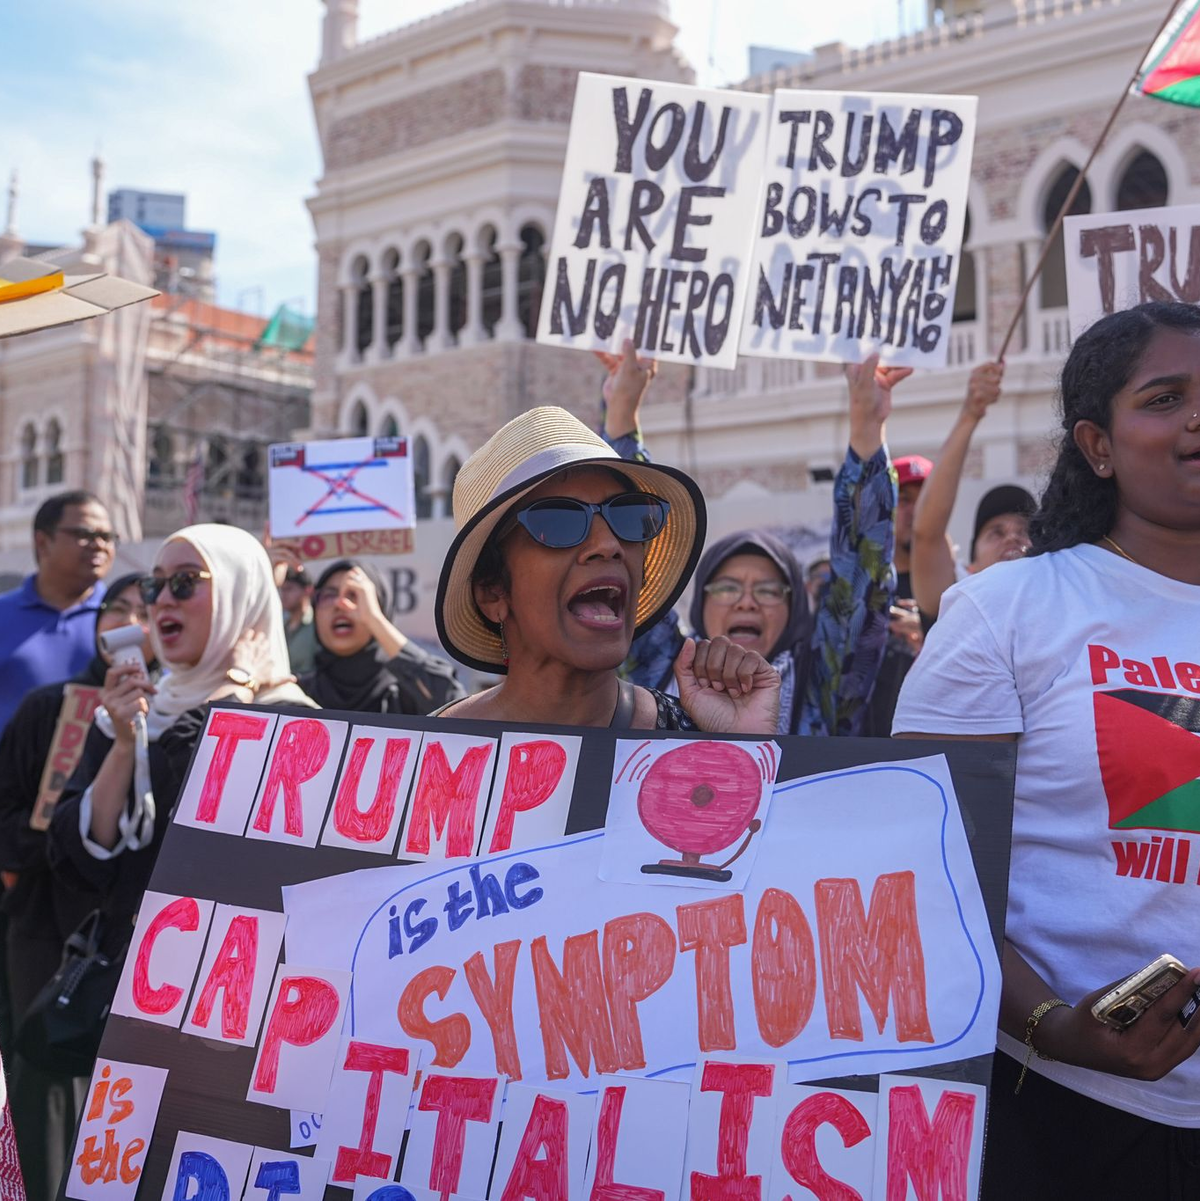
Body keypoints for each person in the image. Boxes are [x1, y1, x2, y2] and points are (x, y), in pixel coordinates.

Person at [893, 302, 1200, 1196]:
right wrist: (1055, 1027)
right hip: (1061, 1111)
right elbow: (920, 870)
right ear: (1097, 445)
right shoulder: (1010, 611)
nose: (1198, 418)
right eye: (1166, 398)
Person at [47, 526, 312, 1009]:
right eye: (155, 584)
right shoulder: (133, 710)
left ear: (240, 597)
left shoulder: (295, 721)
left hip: (230, 996)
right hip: (125, 988)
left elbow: (229, 845)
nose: (164, 599)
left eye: (186, 581)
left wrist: (236, 695)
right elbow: (81, 865)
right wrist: (123, 747)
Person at [598, 340, 901, 736]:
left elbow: (864, 577)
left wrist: (867, 423)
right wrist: (622, 411)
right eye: (727, 587)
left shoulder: (821, 685)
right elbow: (635, 556)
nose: (746, 602)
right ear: (701, 603)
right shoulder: (657, 666)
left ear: (794, 607)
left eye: (768, 590)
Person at [433, 405, 779, 733]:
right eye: (558, 522)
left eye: (628, 515)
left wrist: (744, 750)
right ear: (493, 591)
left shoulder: (690, 736)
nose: (609, 545)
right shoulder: (424, 758)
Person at [0, 575, 153, 1201]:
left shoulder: (176, 719)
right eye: (118, 609)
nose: (131, 622)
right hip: (44, 926)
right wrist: (64, 837)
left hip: (126, 939)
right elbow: (6, 815)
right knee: (43, 1087)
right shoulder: (47, 707)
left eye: (146, 610)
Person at [909, 360, 1034, 622]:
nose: (1012, 538)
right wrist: (970, 414)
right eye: (996, 532)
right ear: (971, 566)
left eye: (1024, 531)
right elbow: (927, 534)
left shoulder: (1060, 609)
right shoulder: (956, 605)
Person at [0, 491, 116, 736]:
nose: (100, 545)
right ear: (42, 542)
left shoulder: (127, 620)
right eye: (85, 535)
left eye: (107, 536)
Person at [299, 559, 464, 715]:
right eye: (329, 595)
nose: (339, 604)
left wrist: (375, 619)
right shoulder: (299, 694)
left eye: (355, 595)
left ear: (381, 607)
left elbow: (455, 706)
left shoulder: (406, 691)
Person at [279, 564, 317, 675]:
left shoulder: (319, 625)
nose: (283, 595)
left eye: (289, 589)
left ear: (308, 590)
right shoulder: (280, 624)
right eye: (282, 590)